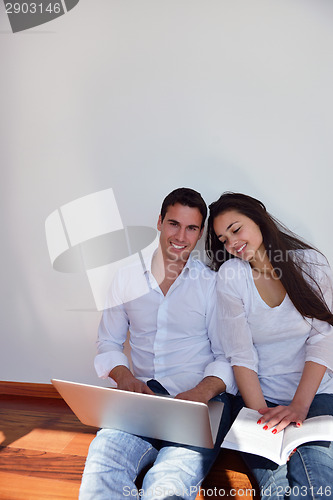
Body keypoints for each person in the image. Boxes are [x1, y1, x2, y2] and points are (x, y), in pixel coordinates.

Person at [79, 187, 237, 500]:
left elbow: (228, 356)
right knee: (104, 462)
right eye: (174, 224)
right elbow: (108, 343)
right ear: (160, 222)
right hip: (142, 399)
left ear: (201, 232)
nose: (181, 236)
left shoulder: (211, 284)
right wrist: (125, 378)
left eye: (191, 228)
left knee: (169, 481)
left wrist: (199, 394)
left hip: (201, 401)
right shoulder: (125, 279)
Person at [206, 192, 333, 499]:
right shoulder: (231, 276)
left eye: (236, 229)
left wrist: (299, 407)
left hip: (315, 394)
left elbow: (323, 337)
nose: (232, 243)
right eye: (223, 239)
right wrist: (263, 418)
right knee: (275, 487)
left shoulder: (310, 263)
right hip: (258, 398)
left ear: (258, 218)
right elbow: (241, 355)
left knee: (315, 477)